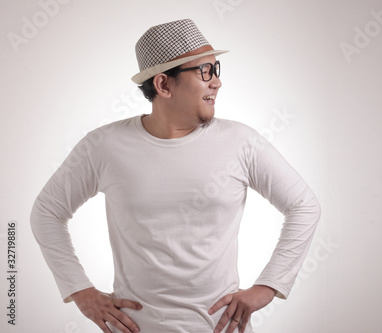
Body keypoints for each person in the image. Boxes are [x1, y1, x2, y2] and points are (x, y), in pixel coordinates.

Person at [31, 18, 321, 333]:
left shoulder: (241, 142)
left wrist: (268, 286)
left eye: (216, 69)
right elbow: (47, 211)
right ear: (164, 84)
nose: (217, 82)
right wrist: (80, 291)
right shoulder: (104, 146)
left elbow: (304, 205)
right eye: (204, 72)